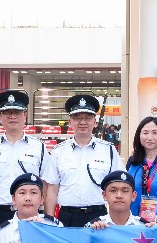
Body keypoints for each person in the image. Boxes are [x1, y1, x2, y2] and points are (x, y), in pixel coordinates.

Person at [44, 94, 121, 227]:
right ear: (70, 122)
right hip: (67, 217)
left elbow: (118, 186)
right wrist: (49, 221)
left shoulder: (108, 150)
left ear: (95, 122)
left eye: (87, 118)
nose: (83, 122)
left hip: (99, 217)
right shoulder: (58, 151)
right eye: (77, 118)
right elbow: (52, 189)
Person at [0, 89, 45, 233]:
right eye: (8, 113)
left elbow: (45, 182)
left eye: (17, 113)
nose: (12, 117)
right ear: (0, 117)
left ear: (25, 116)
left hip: (30, 214)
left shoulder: (38, 146)